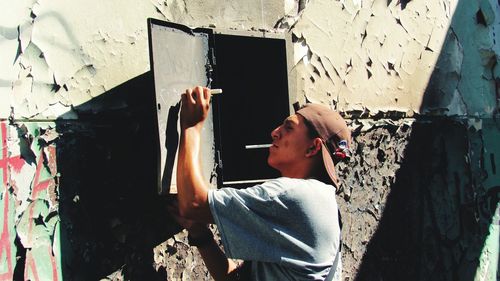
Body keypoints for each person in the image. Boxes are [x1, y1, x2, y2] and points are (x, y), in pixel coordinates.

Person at [171, 86, 351, 281]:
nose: (275, 132)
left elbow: (193, 203)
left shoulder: (295, 196)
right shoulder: (325, 208)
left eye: (288, 128)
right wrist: (202, 236)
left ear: (313, 147)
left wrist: (192, 127)